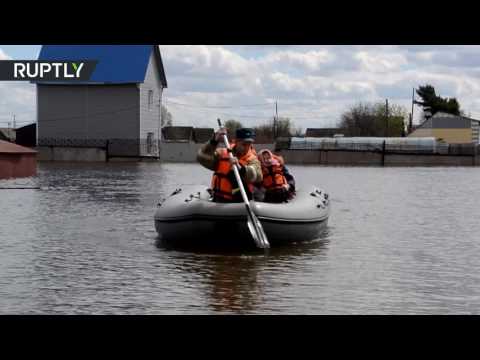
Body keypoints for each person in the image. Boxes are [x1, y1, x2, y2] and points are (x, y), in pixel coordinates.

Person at [197, 127, 263, 203]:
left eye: (249, 144)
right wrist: (214, 141)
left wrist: (240, 167)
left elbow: (258, 176)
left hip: (240, 202)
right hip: (219, 199)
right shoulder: (222, 154)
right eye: (244, 144)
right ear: (236, 141)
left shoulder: (253, 159)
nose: (247, 148)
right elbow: (201, 157)